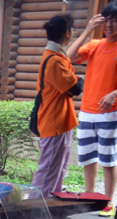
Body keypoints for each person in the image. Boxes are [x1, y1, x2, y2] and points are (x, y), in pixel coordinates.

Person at [68, 1, 117, 218]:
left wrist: (115, 93)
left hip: (111, 112)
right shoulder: (94, 45)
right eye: (106, 20)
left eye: (114, 20)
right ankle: (91, 197)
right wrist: (87, 31)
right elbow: (69, 56)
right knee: (87, 157)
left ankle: (108, 202)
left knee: (108, 159)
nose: (109, 24)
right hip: (87, 111)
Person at [30, 14, 84, 196]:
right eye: (73, 31)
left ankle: (50, 209)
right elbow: (75, 88)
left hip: (62, 122)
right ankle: (32, 212)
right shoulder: (55, 60)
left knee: (59, 168)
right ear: (68, 33)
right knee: (47, 169)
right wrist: (83, 79)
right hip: (53, 123)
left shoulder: (58, 55)